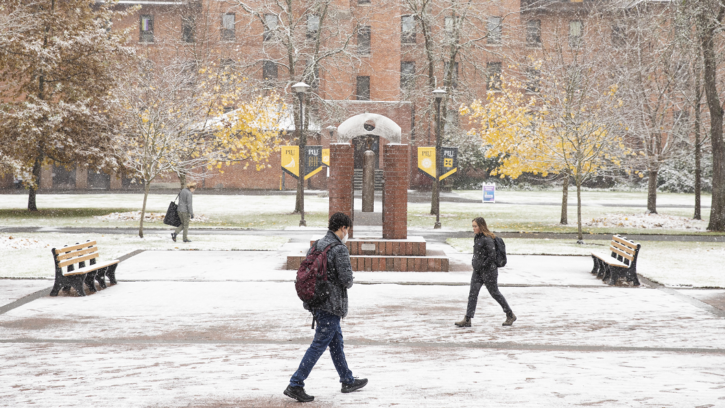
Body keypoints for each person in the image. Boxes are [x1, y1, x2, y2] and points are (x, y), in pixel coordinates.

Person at [284, 212, 368, 403]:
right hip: (331, 304)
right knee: (319, 344)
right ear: (343, 228)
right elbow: (346, 281)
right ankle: (296, 383)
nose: (347, 234)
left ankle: (347, 379)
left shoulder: (318, 244)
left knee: (336, 342)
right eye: (348, 230)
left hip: (317, 301)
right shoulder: (339, 249)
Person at [455, 217, 516, 328]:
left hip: (489, 272)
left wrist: (482, 266)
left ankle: (510, 314)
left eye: (475, 226)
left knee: (495, 293)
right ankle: (467, 319)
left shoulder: (487, 239)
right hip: (478, 272)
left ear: (481, 226)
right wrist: (475, 264)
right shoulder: (477, 238)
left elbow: (491, 256)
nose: (473, 228)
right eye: (473, 226)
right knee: (473, 294)